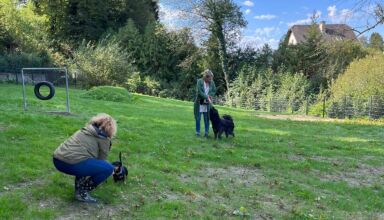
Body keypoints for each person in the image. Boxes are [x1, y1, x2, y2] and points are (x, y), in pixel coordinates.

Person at [52, 113, 117, 203]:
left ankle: (79, 188)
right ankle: (82, 192)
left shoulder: (85, 130)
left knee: (85, 160)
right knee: (108, 168)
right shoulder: (104, 138)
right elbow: (101, 159)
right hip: (70, 163)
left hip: (57, 159)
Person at [194, 69, 216, 137]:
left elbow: (214, 90)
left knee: (207, 118)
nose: (211, 80)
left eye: (211, 78)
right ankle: (197, 132)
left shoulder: (212, 82)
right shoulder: (199, 82)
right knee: (198, 118)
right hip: (199, 103)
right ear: (206, 77)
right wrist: (207, 97)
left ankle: (206, 133)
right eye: (210, 78)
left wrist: (210, 95)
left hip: (207, 104)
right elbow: (199, 92)